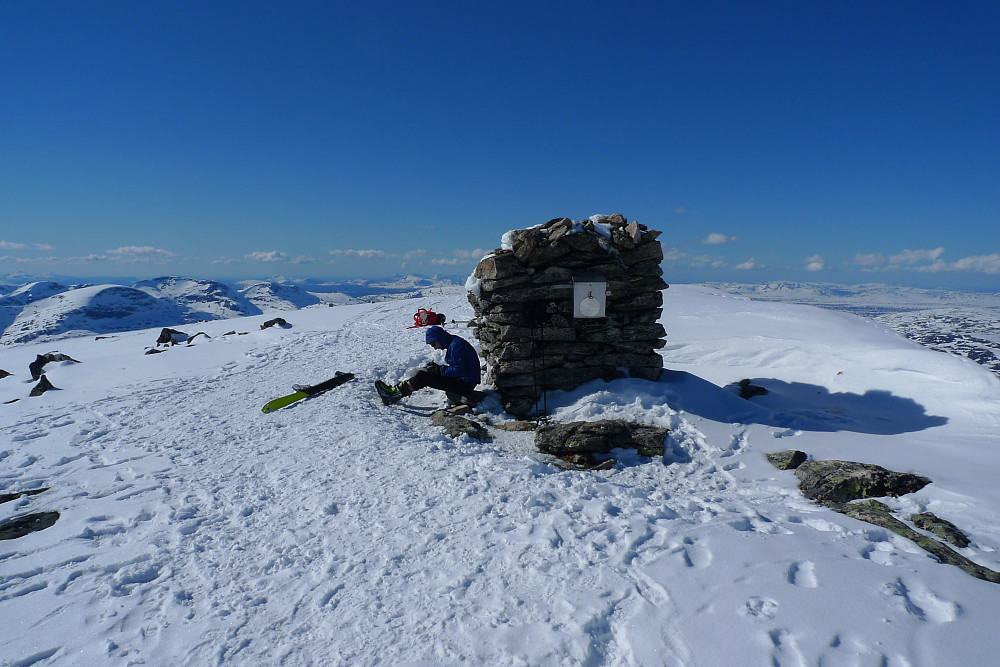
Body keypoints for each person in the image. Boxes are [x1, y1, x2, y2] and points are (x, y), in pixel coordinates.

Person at [376, 326, 483, 405]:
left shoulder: (457, 346)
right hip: (464, 381)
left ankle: (393, 395)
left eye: (433, 344)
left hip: (465, 384)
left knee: (424, 378)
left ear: (439, 338)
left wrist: (440, 370)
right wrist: (438, 369)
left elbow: (460, 370)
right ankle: (397, 390)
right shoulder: (454, 343)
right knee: (425, 374)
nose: (435, 348)